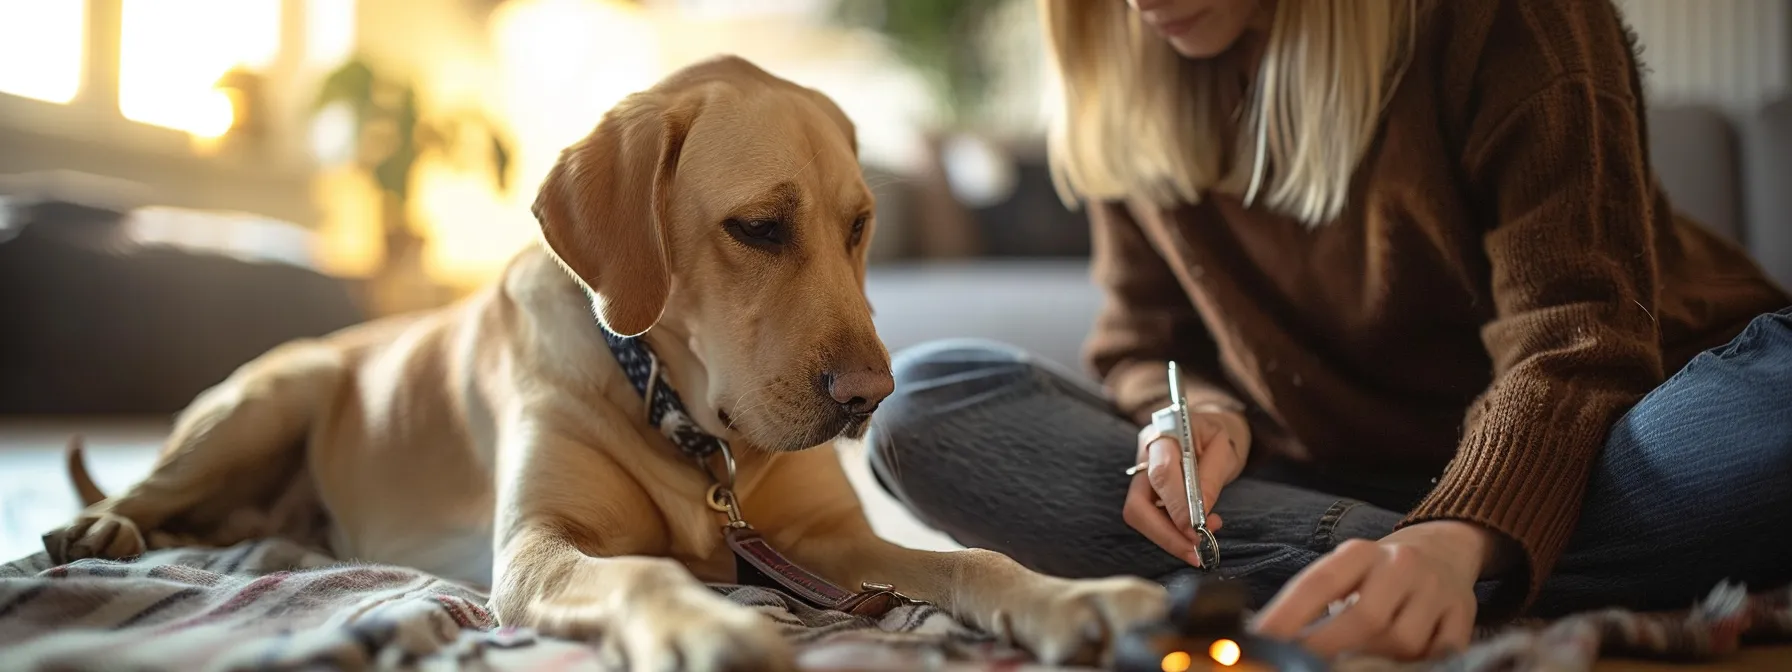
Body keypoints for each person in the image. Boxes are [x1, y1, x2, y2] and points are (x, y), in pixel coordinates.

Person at [864, 0, 1792, 662]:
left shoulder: (1506, 18)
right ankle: (1443, 570)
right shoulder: (1122, 58)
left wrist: (1461, 531)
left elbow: (1577, 337)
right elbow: (1149, 339)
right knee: (927, 404)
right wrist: (1194, 417)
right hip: (1318, 475)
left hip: (1611, 441)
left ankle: (1424, 564)